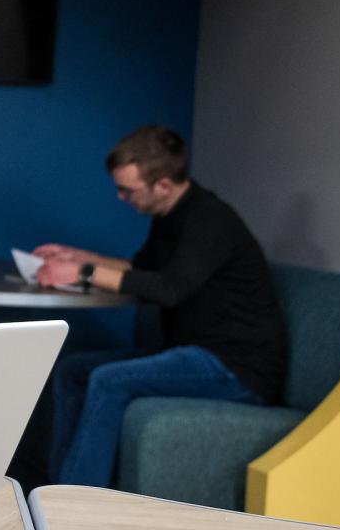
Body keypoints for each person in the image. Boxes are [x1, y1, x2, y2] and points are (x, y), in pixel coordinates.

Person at [33, 124, 287, 487]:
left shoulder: (210, 220)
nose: (121, 197)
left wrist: (83, 272)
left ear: (163, 185)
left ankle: (72, 510)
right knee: (73, 370)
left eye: (127, 189)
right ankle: (54, 491)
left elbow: (169, 289)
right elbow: (142, 269)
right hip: (193, 352)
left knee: (109, 380)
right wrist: (78, 257)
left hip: (237, 368)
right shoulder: (169, 215)